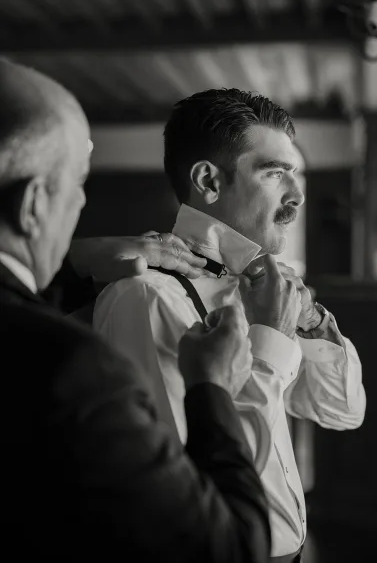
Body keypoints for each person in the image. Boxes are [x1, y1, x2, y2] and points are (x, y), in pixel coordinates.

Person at [0, 59, 273, 561]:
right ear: (34, 203)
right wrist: (211, 389)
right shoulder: (77, 366)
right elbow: (229, 547)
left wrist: (77, 257)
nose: (80, 207)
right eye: (79, 183)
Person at [93, 88, 366, 562]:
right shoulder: (145, 297)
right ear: (209, 181)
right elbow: (190, 492)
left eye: (293, 174)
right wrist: (271, 344)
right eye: (275, 173)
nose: (297, 195)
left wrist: (311, 323)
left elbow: (341, 411)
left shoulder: (269, 293)